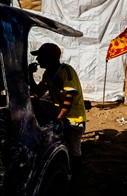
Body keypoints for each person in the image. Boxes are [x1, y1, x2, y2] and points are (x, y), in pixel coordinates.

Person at [28, 43, 86, 192]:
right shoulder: (48, 74)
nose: (38, 59)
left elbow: (69, 96)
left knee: (74, 150)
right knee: (35, 102)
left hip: (74, 118)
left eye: (41, 56)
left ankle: (75, 179)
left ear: (51, 57)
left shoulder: (66, 71)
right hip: (60, 114)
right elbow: (37, 93)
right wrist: (30, 75)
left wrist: (59, 119)